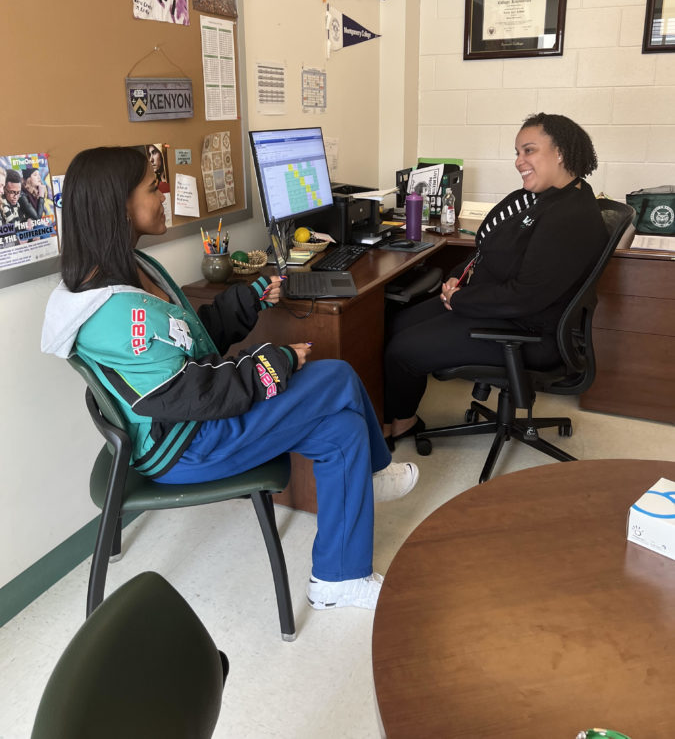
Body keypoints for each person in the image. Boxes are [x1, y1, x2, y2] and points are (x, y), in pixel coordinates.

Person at [42, 147, 418, 611]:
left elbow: (191, 339)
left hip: (195, 422)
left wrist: (251, 299)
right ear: (117, 203)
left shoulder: (137, 269)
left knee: (341, 432)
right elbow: (190, 394)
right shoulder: (117, 314)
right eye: (150, 186)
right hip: (186, 445)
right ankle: (376, 473)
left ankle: (337, 580)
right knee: (337, 376)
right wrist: (276, 362)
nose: (163, 194)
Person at [383, 113, 608, 446]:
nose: (519, 162)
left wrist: (458, 299)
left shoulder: (570, 217)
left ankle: (403, 423)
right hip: (497, 308)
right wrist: (457, 278)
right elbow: (488, 250)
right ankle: (388, 415)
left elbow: (524, 296)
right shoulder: (543, 198)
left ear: (560, 152)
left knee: (403, 350)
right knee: (396, 322)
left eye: (529, 151)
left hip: (526, 331)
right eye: (517, 152)